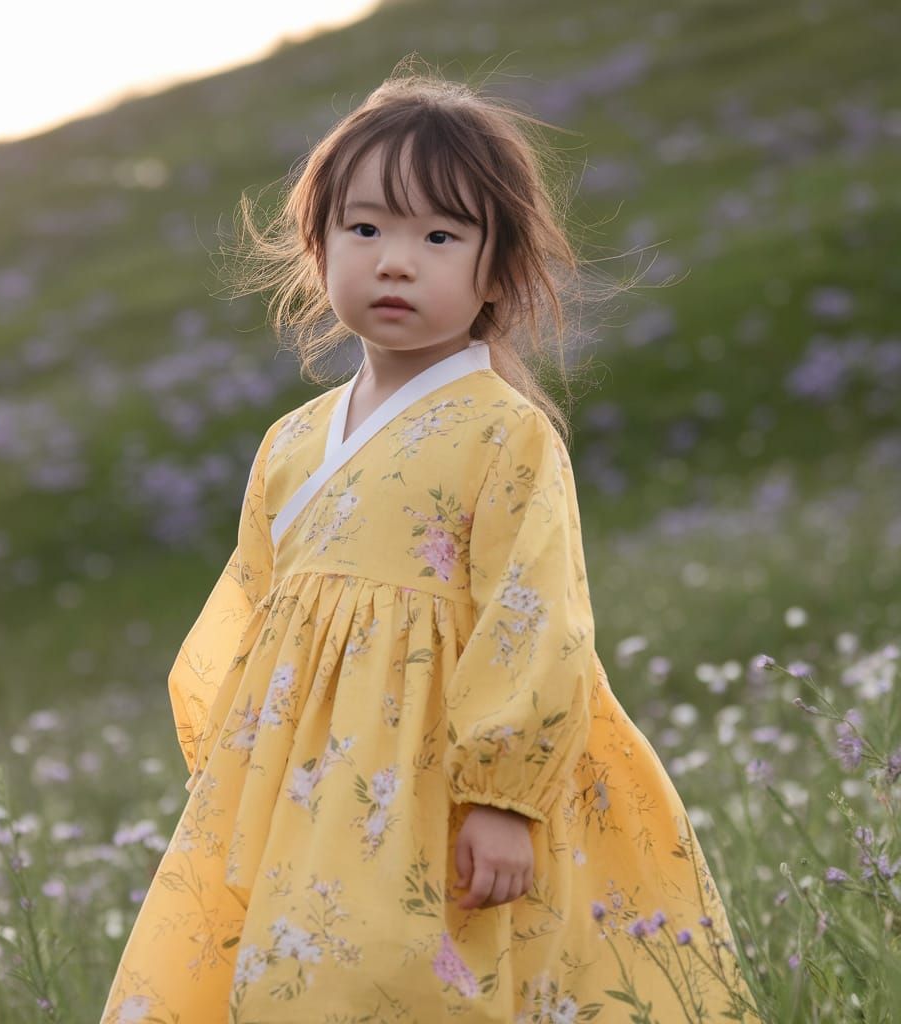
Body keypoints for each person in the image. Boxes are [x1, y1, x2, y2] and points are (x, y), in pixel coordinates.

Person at [100, 58, 761, 1024]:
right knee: (289, 983)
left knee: (406, 983)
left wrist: (504, 796)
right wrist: (238, 774)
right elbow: (251, 616)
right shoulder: (291, 443)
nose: (395, 261)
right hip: (309, 801)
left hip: (439, 799)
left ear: (495, 269)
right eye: (364, 228)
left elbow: (537, 619)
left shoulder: (504, 432)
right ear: (318, 246)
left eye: (439, 235)